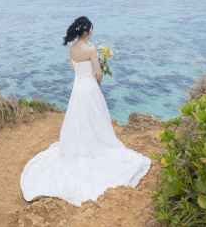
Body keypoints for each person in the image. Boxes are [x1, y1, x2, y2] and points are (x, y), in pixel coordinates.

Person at [19, 16, 151, 206]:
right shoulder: (90, 49)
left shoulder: (72, 48)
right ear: (86, 31)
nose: (92, 32)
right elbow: (99, 73)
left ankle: (80, 146)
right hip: (89, 88)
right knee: (95, 119)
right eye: (91, 29)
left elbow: (73, 68)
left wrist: (84, 73)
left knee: (78, 118)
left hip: (77, 88)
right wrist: (97, 83)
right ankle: (95, 145)